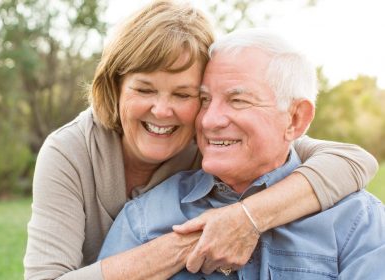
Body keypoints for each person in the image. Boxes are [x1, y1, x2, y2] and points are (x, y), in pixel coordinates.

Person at [24, 1, 378, 279]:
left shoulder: (213, 137)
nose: (163, 111)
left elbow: (353, 161)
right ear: (115, 90)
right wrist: (196, 241)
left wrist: (246, 218)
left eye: (186, 95)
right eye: (144, 89)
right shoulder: (73, 156)